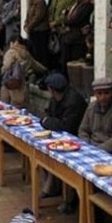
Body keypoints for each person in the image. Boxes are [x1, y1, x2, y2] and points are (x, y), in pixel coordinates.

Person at [39, 73, 87, 204]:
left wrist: (47, 121)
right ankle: (53, 187)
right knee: (43, 150)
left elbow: (66, 126)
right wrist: (48, 120)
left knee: (56, 155)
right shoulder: (56, 98)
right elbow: (48, 114)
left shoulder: (73, 101)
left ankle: (63, 194)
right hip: (62, 136)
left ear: (52, 89)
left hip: (75, 138)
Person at [78, 78, 112, 153]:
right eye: (99, 93)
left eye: (106, 93)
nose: (103, 97)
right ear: (95, 94)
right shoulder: (91, 108)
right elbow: (83, 130)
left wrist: (97, 150)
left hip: (111, 150)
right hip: (91, 146)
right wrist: (87, 146)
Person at [0, 36, 47, 108]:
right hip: (22, 85)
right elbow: (37, 66)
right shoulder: (27, 54)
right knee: (19, 109)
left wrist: (2, 71)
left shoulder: (11, 52)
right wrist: (46, 70)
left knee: (5, 109)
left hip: (10, 85)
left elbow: (7, 66)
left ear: (12, 43)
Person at [23, 0, 49, 68]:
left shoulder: (40, 2)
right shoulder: (31, 3)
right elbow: (28, 15)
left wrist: (29, 26)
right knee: (34, 52)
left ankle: (43, 69)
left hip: (40, 31)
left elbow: (38, 17)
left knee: (40, 52)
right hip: (33, 31)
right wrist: (25, 24)